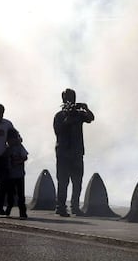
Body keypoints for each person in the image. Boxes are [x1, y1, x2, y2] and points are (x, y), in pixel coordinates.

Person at [53, 88, 95, 217]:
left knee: (77, 182)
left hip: (77, 152)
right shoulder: (59, 115)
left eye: (73, 97)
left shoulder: (78, 115)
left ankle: (75, 207)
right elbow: (58, 132)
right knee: (63, 181)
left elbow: (91, 118)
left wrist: (85, 108)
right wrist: (68, 119)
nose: (71, 100)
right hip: (64, 152)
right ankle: (61, 207)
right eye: (68, 98)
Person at [4, 128, 29, 219]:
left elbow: (25, 157)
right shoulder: (7, 148)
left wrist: (18, 161)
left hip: (19, 175)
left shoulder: (19, 147)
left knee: (20, 194)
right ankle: (9, 208)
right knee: (10, 194)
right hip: (10, 175)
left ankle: (22, 211)